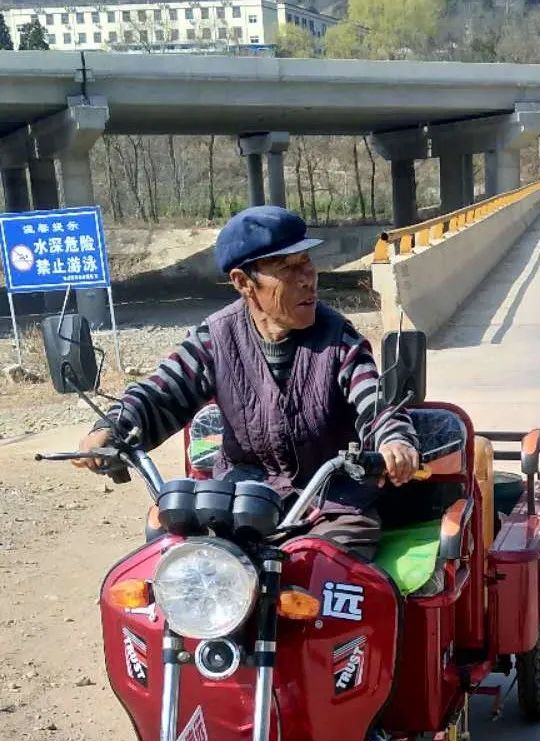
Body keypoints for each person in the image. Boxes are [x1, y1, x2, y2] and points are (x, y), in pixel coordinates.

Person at [75, 205, 419, 560]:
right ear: (243, 282)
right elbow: (161, 393)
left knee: (330, 565)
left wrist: (393, 439)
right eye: (286, 268)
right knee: (182, 563)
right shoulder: (216, 338)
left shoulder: (339, 339)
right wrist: (112, 428)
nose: (307, 277)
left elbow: (375, 402)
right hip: (242, 500)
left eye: (306, 261)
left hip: (329, 503)